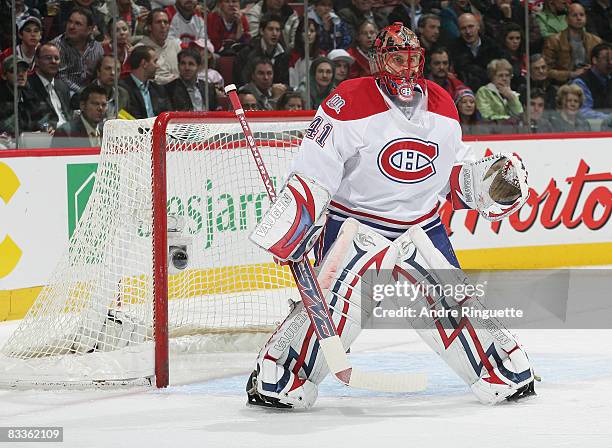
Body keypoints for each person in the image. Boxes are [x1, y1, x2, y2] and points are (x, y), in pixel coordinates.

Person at [244, 22, 534, 410]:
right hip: (355, 223)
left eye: (412, 58)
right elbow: (315, 168)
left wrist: (477, 183)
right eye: (397, 58)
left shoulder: (444, 105)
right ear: (379, 61)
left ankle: (503, 368)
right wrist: (298, 216)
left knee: (453, 303)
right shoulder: (347, 100)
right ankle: (280, 374)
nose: (405, 67)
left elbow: (445, 174)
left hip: (422, 226)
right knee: (336, 310)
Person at [542, 3, 602, 85]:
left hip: (590, 83)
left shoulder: (596, 41)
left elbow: (603, 65)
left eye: (582, 15)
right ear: (566, 19)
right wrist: (571, 74)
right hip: (563, 85)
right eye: (574, 15)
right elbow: (546, 70)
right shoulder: (554, 41)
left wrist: (592, 69)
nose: (579, 18)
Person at [51, 7, 105, 96]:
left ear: (89, 30)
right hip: (65, 93)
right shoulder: (56, 46)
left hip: (91, 93)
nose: (71, 27)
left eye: (78, 24)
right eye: (70, 22)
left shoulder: (96, 46)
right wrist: (83, 92)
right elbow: (60, 78)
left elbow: (99, 73)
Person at [26, 42, 73, 133]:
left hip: (69, 134)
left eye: (56, 58)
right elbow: (29, 117)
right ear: (36, 61)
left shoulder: (62, 86)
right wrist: (45, 126)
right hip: (46, 136)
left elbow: (69, 115)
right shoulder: (28, 85)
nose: (53, 61)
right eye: (48, 58)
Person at [449, 13, 502, 92]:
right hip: (465, 92)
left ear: (478, 26)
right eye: (463, 28)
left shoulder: (492, 46)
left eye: (471, 26)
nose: (468, 31)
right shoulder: (453, 49)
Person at [234, 14, 290, 87]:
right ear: (261, 31)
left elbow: (285, 82)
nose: (275, 33)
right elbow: (242, 82)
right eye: (270, 29)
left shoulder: (283, 54)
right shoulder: (246, 53)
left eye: (277, 30)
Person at [120, 45, 170, 118]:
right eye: (155, 61)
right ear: (144, 64)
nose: (157, 66)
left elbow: (167, 114)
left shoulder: (159, 89)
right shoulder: (123, 89)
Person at [52, 83, 107, 148]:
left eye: (104, 105)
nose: (100, 108)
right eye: (95, 104)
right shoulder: (66, 132)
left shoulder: (107, 131)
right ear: (82, 105)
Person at [137, 8, 183, 85]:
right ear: (149, 27)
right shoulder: (140, 49)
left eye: (166, 22)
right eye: (158, 22)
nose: (163, 25)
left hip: (178, 90)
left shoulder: (176, 45)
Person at [571, 43, 612, 120]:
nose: (610, 63)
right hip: (589, 129)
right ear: (595, 60)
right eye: (606, 59)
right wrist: (608, 118)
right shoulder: (580, 82)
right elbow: (583, 111)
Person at [0, 56, 34, 137]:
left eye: (24, 70)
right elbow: (8, 127)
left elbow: (42, 116)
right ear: (4, 76)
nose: (21, 74)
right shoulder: (2, 98)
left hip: (28, 142)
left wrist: (45, 126)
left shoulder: (29, 93)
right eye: (15, 71)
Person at [289, 18, 325, 91]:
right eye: (304, 31)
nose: (308, 34)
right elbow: (292, 81)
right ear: (299, 34)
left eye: (312, 31)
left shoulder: (322, 56)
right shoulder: (292, 56)